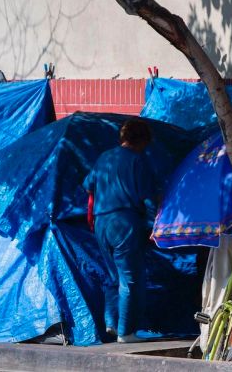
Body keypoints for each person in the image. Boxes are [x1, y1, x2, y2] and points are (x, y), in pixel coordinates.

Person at [83, 119, 157, 343]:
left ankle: (112, 324)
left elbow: (88, 184)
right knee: (129, 279)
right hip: (125, 222)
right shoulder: (138, 160)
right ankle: (126, 333)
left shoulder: (104, 157)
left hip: (100, 223)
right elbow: (148, 198)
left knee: (112, 277)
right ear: (143, 140)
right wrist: (155, 225)